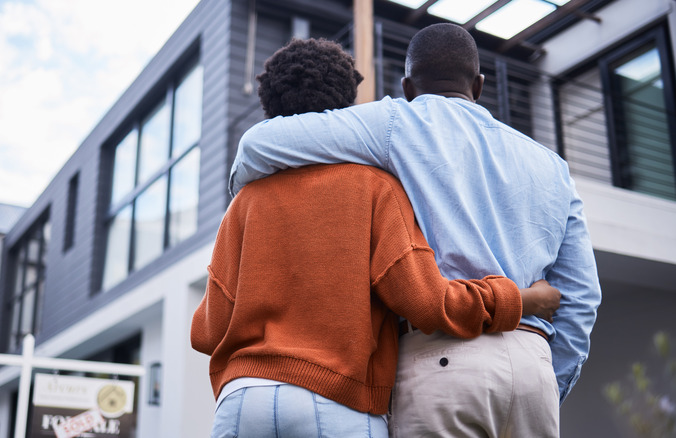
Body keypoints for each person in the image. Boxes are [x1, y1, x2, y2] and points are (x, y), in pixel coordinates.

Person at [230, 24, 602, 437]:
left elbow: (256, 146)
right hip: (534, 365)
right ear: (478, 85)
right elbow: (581, 297)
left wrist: (244, 199)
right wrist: (550, 378)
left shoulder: (395, 123)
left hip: (441, 360)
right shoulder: (552, 166)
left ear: (407, 86)